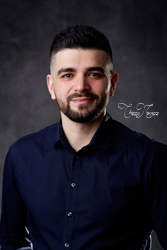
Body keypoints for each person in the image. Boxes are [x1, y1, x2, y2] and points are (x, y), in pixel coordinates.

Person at [0, 25, 167, 250]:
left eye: (94, 74)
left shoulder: (151, 159)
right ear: (51, 86)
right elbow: (11, 243)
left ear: (113, 83)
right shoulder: (20, 155)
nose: (81, 86)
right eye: (68, 74)